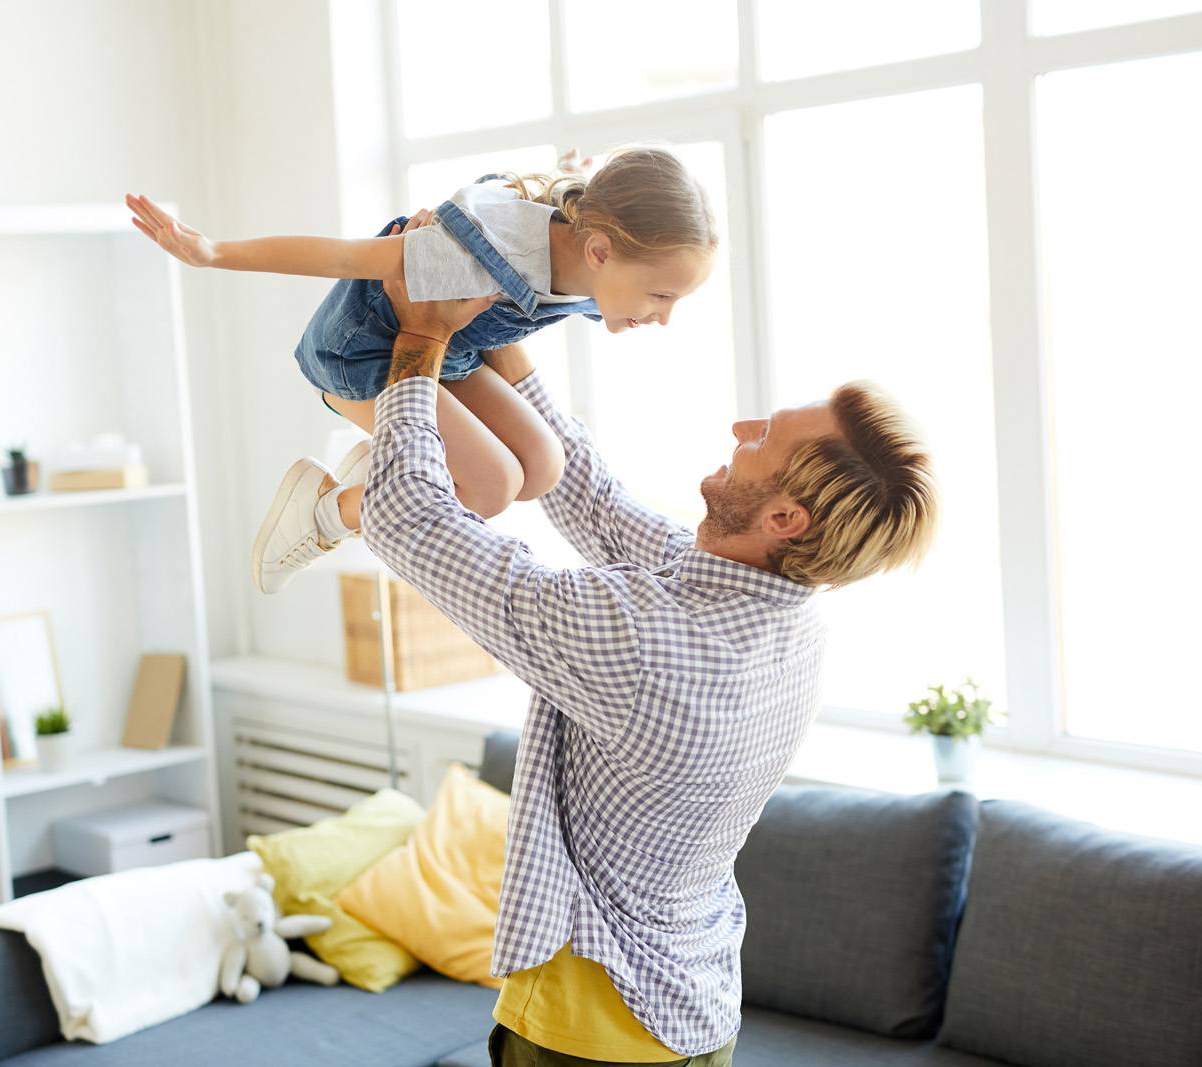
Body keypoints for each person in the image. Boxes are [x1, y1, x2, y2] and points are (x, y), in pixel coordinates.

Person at [347, 214, 942, 1066]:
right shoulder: (781, 613)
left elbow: (410, 517)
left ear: (783, 516)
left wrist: (420, 340)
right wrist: (508, 328)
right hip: (692, 1013)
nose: (741, 430)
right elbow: (594, 498)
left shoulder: (643, 640)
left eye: (763, 439)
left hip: (594, 1032)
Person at [125, 146, 719, 593]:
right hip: (364, 357)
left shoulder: (595, 247)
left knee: (542, 467)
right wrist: (215, 254)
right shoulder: (480, 253)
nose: (662, 317)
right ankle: (326, 512)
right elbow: (343, 254)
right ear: (599, 252)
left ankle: (384, 466)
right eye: (661, 297)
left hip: (447, 356)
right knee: (490, 487)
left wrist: (572, 166)